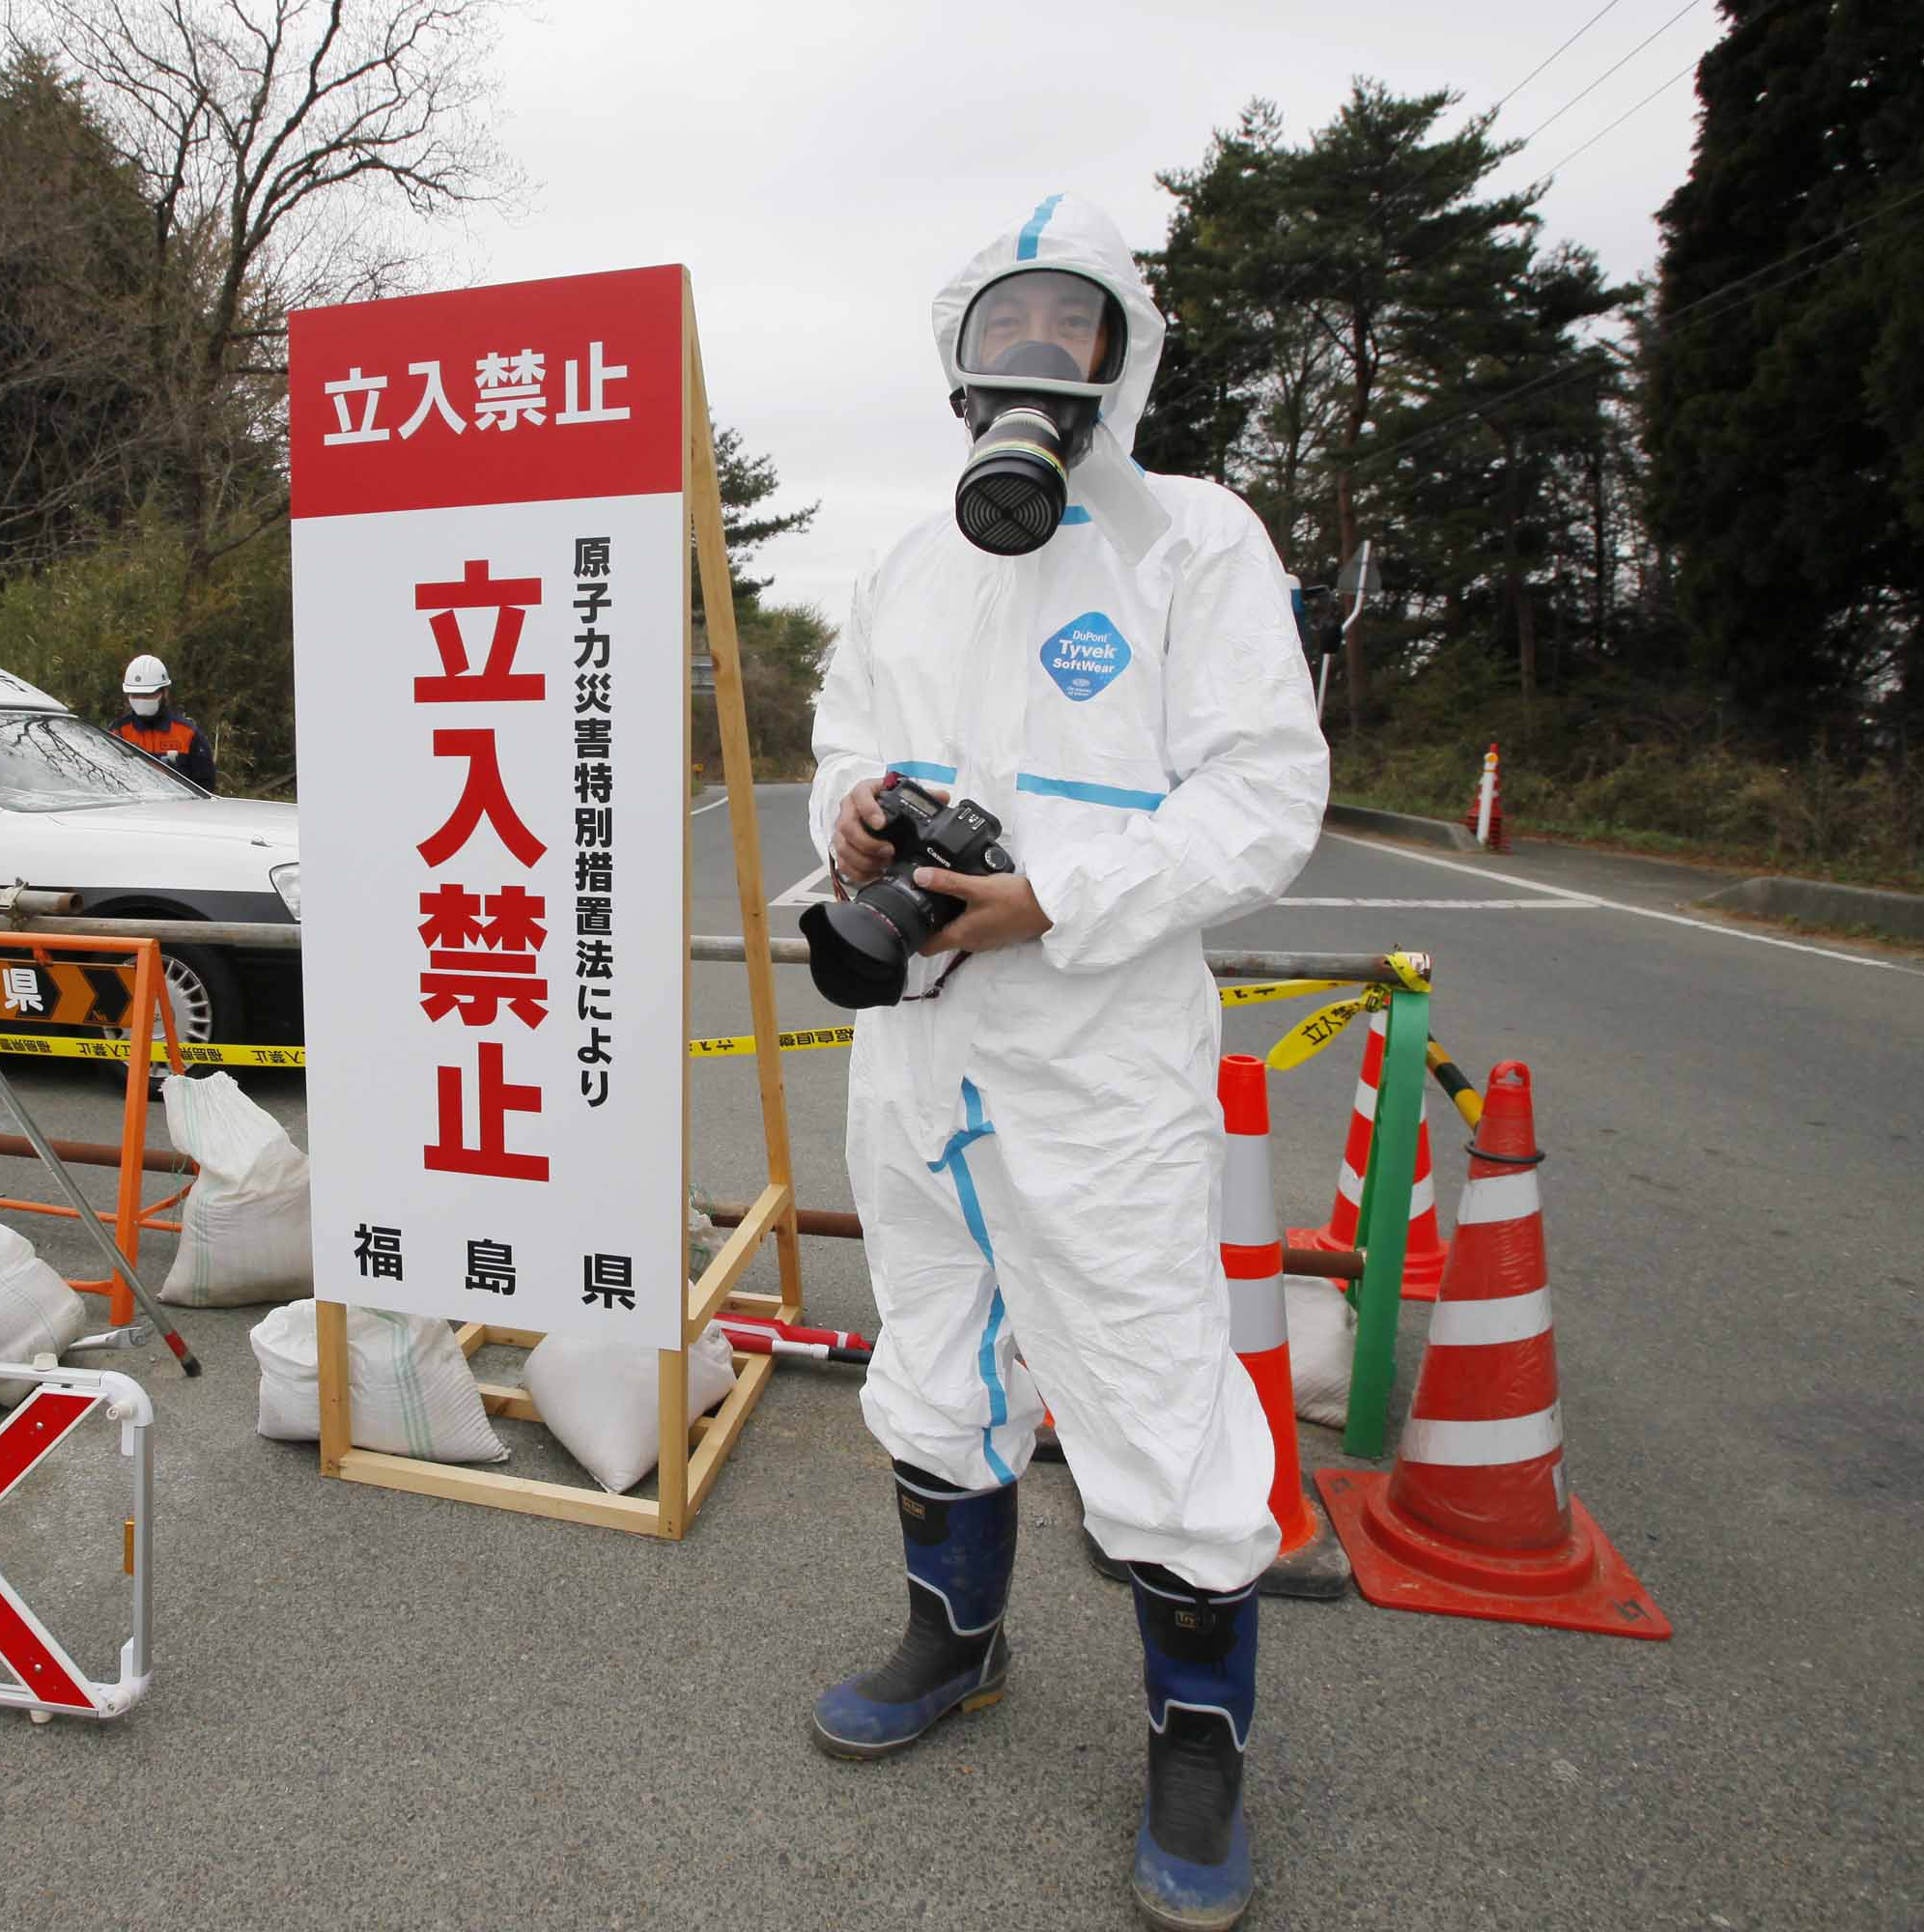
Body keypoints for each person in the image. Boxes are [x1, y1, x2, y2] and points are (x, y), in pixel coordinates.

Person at [804, 193, 1328, 1932]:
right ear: (958, 360)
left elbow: (1265, 797)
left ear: (1125, 359)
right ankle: (952, 1644)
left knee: (1152, 1386)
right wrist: (858, 816)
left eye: (1069, 336)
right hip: (922, 1053)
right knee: (932, 1348)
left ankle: (1198, 1741)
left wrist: (1056, 897)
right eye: (1006, 336)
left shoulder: (1196, 543)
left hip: (1099, 1059)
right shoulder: (905, 563)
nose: (1033, 368)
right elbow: (835, 750)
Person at [110, 653, 216, 790]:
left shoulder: (188, 733)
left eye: (148, 694)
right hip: (134, 810)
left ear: (164, 692)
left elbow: (206, 787)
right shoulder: (118, 733)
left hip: (179, 809)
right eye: (135, 694)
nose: (141, 699)